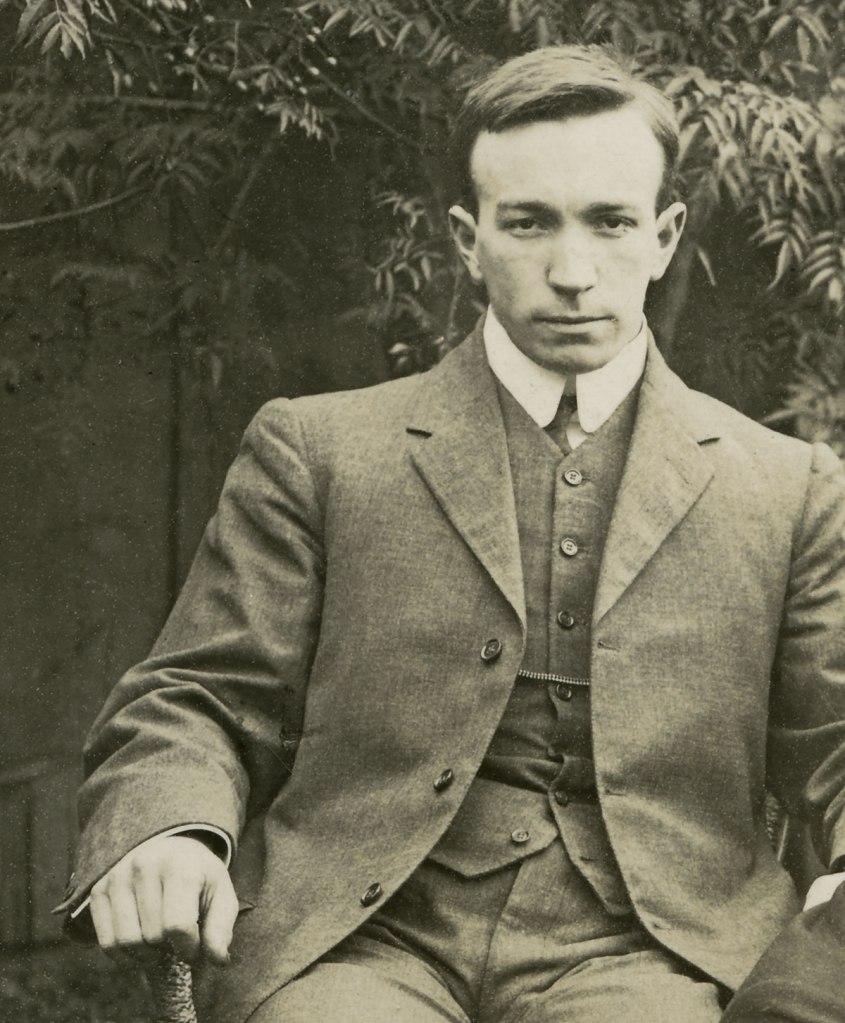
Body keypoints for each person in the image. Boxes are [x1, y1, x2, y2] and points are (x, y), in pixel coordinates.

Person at [57, 45, 845, 1023]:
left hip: (650, 948)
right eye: (527, 225)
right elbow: (196, 697)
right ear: (467, 241)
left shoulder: (783, 487)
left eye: (609, 223)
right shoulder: (320, 450)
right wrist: (169, 832)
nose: (571, 271)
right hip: (355, 935)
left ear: (664, 236)